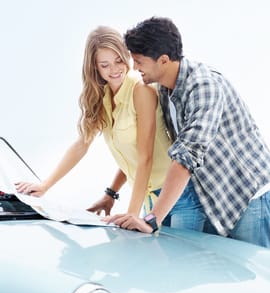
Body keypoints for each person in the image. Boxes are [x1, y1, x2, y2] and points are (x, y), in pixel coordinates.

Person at [104, 16, 270, 248]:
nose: (134, 68)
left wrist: (152, 219)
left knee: (259, 276)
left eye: (139, 61)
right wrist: (112, 192)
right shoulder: (163, 88)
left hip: (246, 196)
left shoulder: (204, 87)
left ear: (163, 60)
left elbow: (186, 156)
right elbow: (142, 147)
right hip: (214, 198)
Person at [15, 26, 172, 219]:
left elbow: (145, 157)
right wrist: (45, 186)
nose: (114, 70)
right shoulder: (102, 97)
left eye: (118, 60)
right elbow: (83, 144)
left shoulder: (141, 90)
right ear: (95, 67)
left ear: (126, 56)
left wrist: (131, 215)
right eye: (105, 65)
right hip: (149, 199)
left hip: (177, 195)